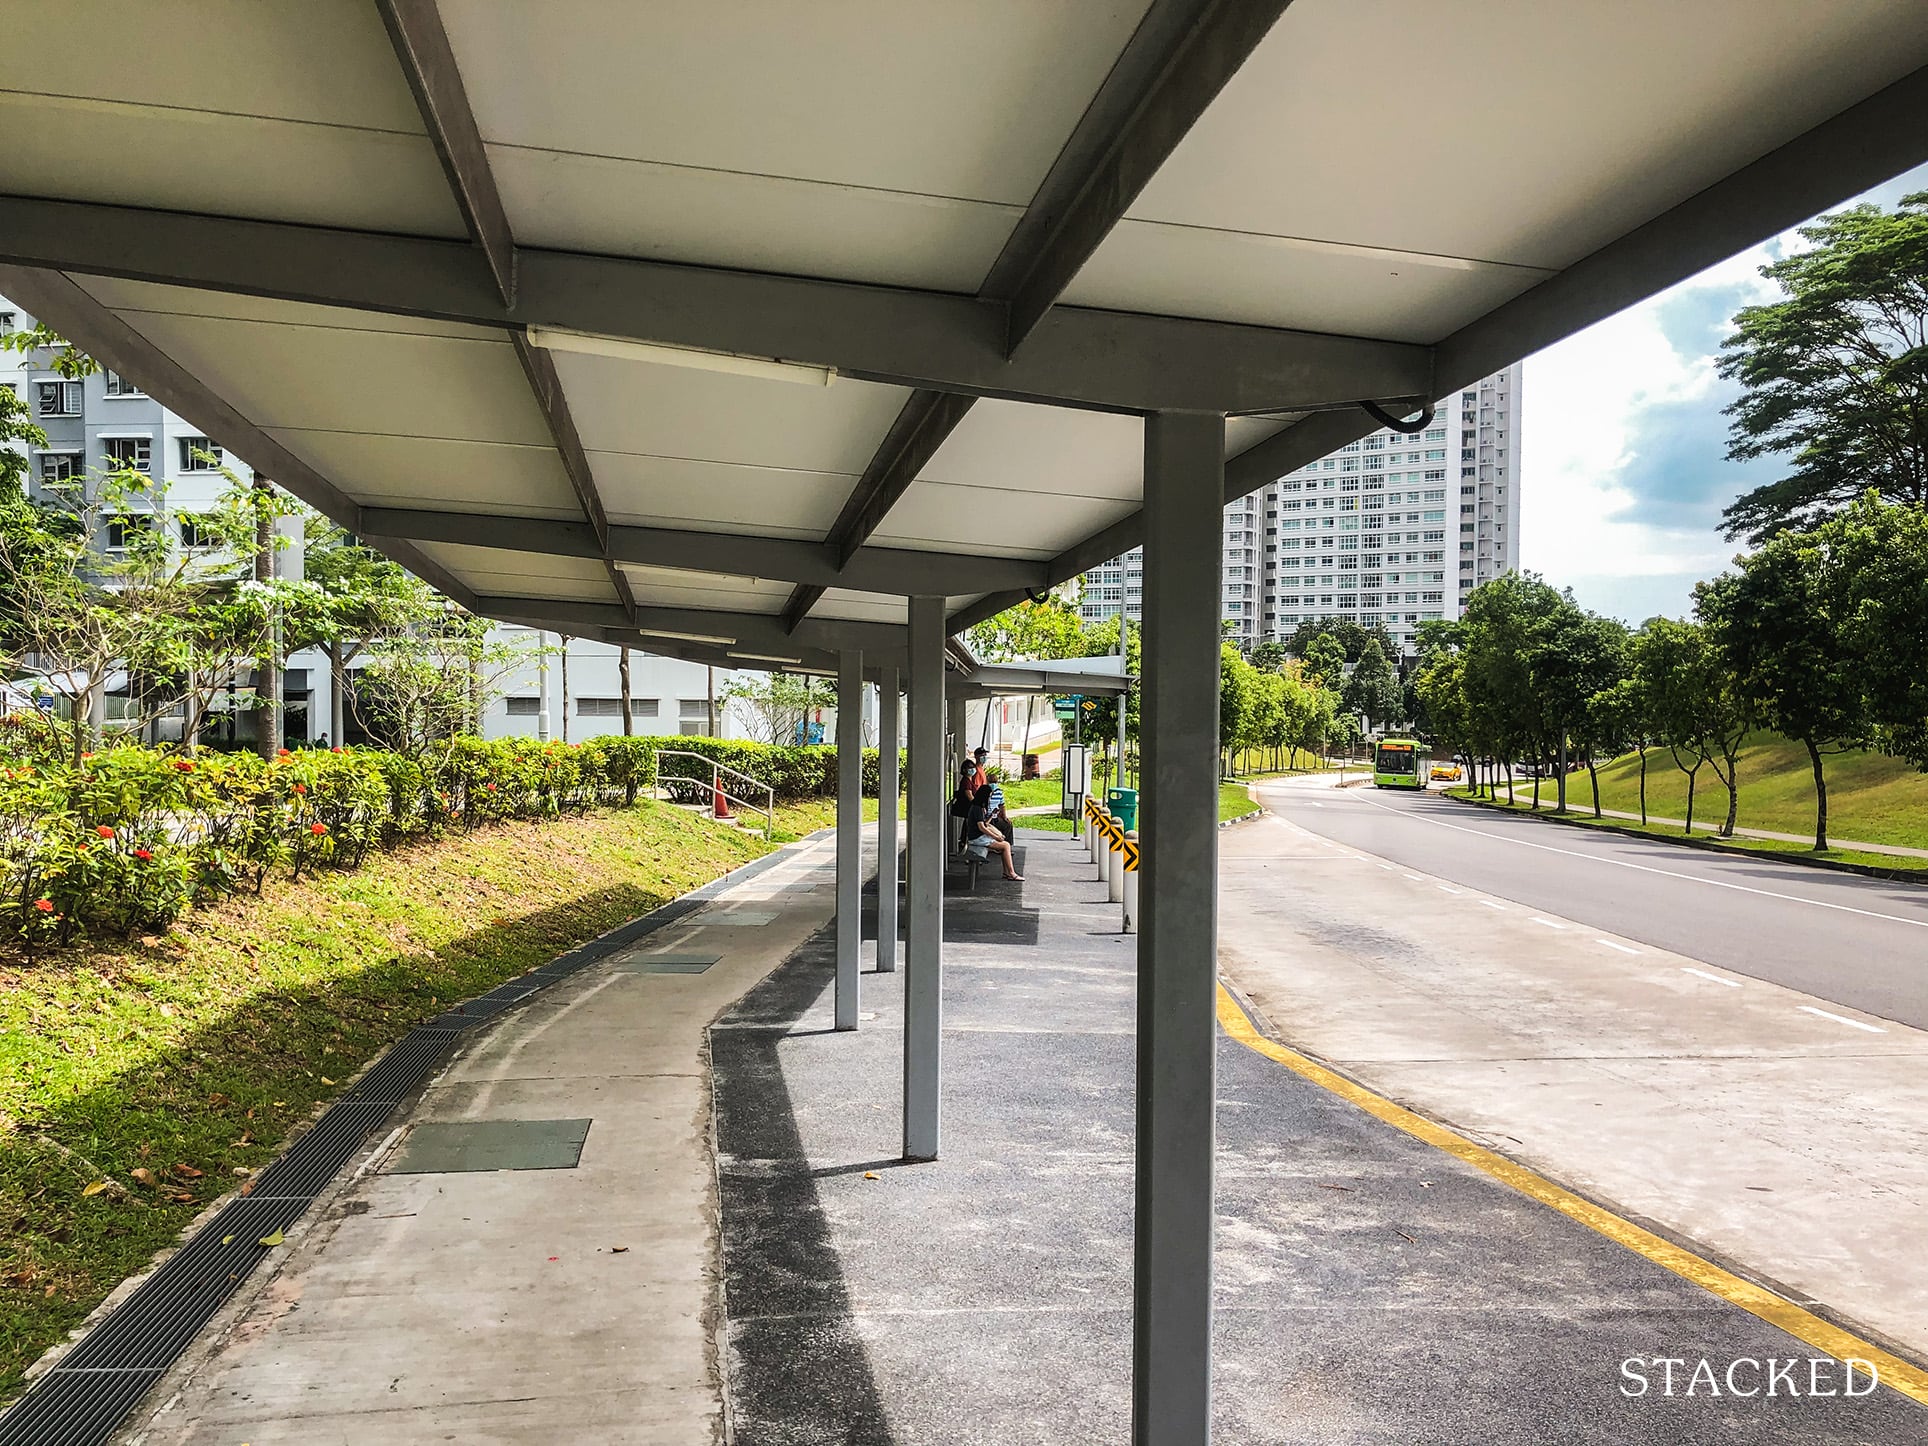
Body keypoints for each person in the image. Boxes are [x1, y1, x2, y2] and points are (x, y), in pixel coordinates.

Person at [964, 783, 1022, 881]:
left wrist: (992, 815)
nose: (990, 798)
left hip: (977, 836)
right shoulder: (977, 808)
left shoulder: (976, 806)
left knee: (1004, 846)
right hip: (977, 838)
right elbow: (982, 827)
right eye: (989, 796)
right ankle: (1011, 873)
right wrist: (996, 837)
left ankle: (1006, 872)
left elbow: (985, 823)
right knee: (1006, 845)